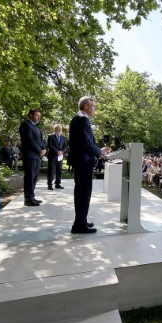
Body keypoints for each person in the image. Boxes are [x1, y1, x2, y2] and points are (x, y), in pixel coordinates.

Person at [69, 97, 111, 234]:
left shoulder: (79, 118)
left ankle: (80, 221)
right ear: (86, 106)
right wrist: (99, 151)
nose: (95, 109)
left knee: (80, 192)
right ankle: (79, 225)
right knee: (84, 193)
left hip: (81, 161)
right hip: (83, 161)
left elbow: (85, 141)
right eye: (93, 106)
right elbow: (86, 143)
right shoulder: (82, 119)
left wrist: (99, 150)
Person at [19, 109, 46, 206]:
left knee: (34, 177)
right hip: (30, 156)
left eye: (39, 116)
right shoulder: (26, 125)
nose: (39, 117)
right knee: (29, 177)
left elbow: (40, 140)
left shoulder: (36, 127)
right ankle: (27, 199)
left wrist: (44, 149)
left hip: (37, 156)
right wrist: (39, 150)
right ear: (31, 115)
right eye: (37, 115)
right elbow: (29, 140)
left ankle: (32, 196)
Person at [46, 124, 67, 190]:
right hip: (52, 156)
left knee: (59, 170)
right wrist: (57, 151)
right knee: (51, 170)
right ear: (55, 129)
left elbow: (65, 147)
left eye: (60, 128)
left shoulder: (63, 137)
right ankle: (49, 184)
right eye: (58, 128)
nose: (59, 130)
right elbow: (50, 145)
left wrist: (62, 152)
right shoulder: (51, 136)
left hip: (60, 156)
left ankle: (57, 184)